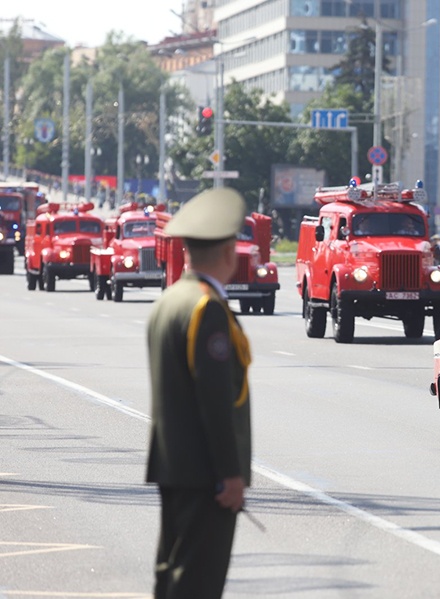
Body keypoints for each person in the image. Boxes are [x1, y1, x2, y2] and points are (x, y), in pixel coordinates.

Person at [146, 188, 252, 599]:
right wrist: (229, 472)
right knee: (197, 585)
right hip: (207, 474)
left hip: (174, 466)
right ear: (228, 252)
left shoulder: (168, 300)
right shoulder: (205, 308)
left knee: (172, 577)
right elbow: (214, 399)